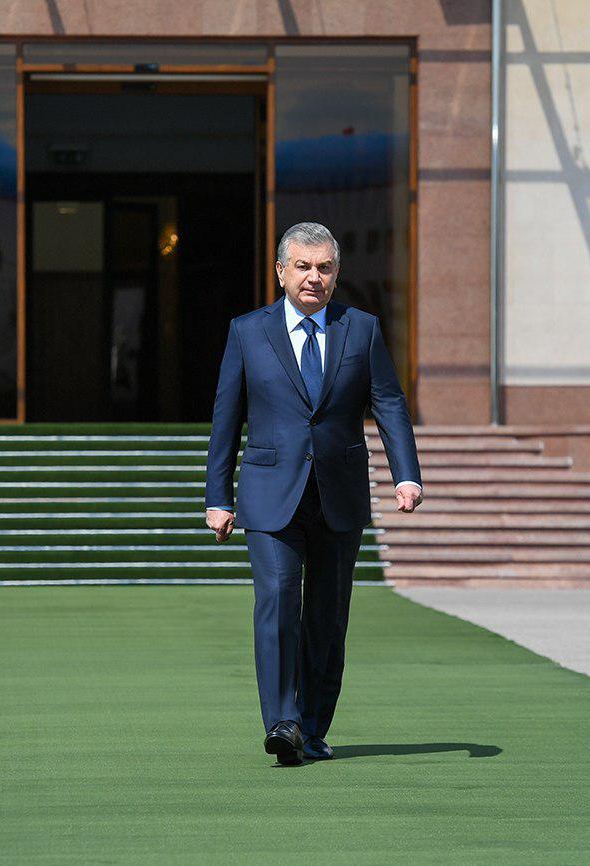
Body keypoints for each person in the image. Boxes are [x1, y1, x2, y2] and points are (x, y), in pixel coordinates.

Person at [204, 221, 423, 766]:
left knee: (327, 615)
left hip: (339, 493)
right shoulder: (247, 332)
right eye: (302, 266)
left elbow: (389, 403)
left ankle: (313, 727)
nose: (313, 277)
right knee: (277, 600)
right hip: (269, 490)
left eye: (324, 267)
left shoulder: (362, 329)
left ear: (336, 274)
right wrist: (218, 495)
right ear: (281, 272)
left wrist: (406, 474)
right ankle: (281, 722)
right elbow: (226, 417)